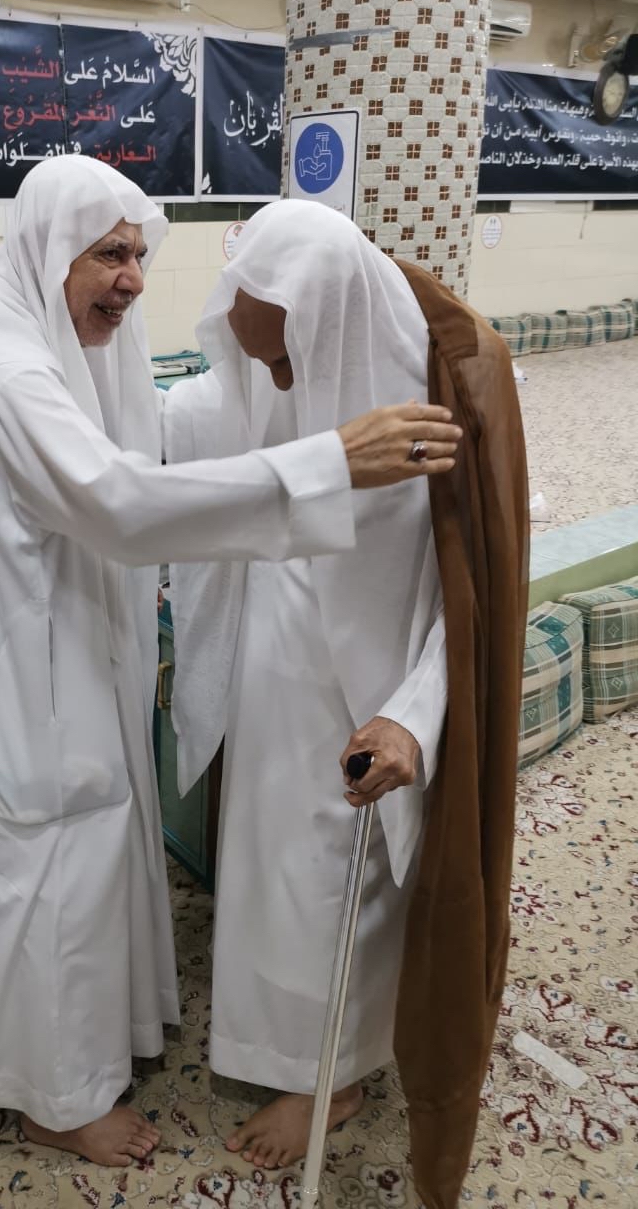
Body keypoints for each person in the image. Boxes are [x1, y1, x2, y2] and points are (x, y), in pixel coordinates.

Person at [0, 156, 462, 1169]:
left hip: (277, 706)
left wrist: (412, 711)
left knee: (244, 878)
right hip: (21, 675)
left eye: (139, 254)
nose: (132, 278)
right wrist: (333, 458)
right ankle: (51, 1094)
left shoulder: (9, 338)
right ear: (48, 247)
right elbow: (121, 495)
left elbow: (456, 608)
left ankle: (311, 1069)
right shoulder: (5, 373)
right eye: (107, 253)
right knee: (48, 872)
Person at [164, 199, 527, 1197]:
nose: (277, 383)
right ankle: (282, 1047)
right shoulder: (281, 358)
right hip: (274, 673)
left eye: (287, 362)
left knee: (344, 888)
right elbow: (221, 427)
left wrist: (413, 713)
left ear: (327, 322)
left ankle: (338, 1078)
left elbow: (470, 599)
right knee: (273, 874)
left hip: (367, 697)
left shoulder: (447, 385)